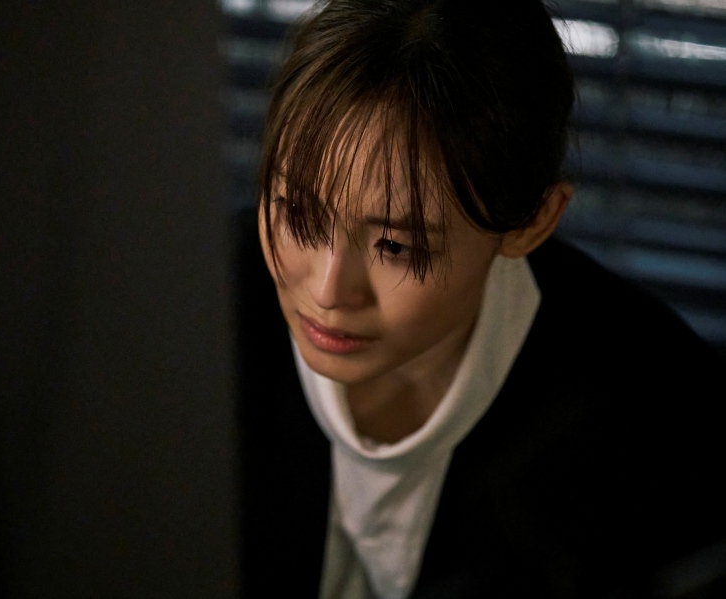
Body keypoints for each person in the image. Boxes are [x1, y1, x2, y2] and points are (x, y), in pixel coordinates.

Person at [232, 1, 726, 597]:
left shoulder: (658, 413)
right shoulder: (190, 315)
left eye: (395, 246)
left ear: (532, 222)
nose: (327, 291)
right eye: (297, 213)